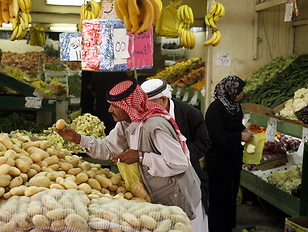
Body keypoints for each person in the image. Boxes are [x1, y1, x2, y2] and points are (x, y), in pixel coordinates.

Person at [56, 78, 204, 230]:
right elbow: (108, 148)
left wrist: (140, 156)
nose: (109, 110)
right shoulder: (126, 123)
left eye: (114, 106)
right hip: (156, 195)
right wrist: (77, 138)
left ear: (129, 106)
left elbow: (179, 163)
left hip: (179, 198)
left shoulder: (154, 126)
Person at [141, 79, 211, 229]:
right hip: (158, 181)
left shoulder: (190, 113)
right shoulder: (146, 115)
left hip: (188, 179)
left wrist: (180, 155)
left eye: (149, 104)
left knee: (192, 223)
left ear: (163, 99)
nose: (145, 109)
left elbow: (204, 141)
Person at [204, 75, 253, 232]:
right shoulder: (215, 109)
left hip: (233, 159)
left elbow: (236, 125)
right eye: (239, 90)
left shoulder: (235, 106)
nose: (242, 93)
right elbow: (215, 135)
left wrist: (244, 130)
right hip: (218, 161)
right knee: (219, 196)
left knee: (230, 195)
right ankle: (217, 228)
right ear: (230, 90)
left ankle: (227, 227)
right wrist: (239, 136)